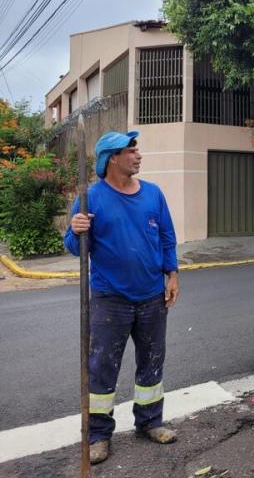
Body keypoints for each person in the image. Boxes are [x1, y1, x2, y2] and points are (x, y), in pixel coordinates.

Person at [64, 131, 180, 465]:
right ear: (112, 158)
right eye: (132, 151)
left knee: (152, 361)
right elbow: (74, 248)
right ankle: (99, 435)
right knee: (102, 369)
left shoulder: (153, 194)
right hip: (109, 299)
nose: (138, 155)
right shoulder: (91, 198)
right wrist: (76, 229)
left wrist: (172, 274)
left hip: (151, 297)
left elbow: (167, 238)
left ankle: (150, 422)